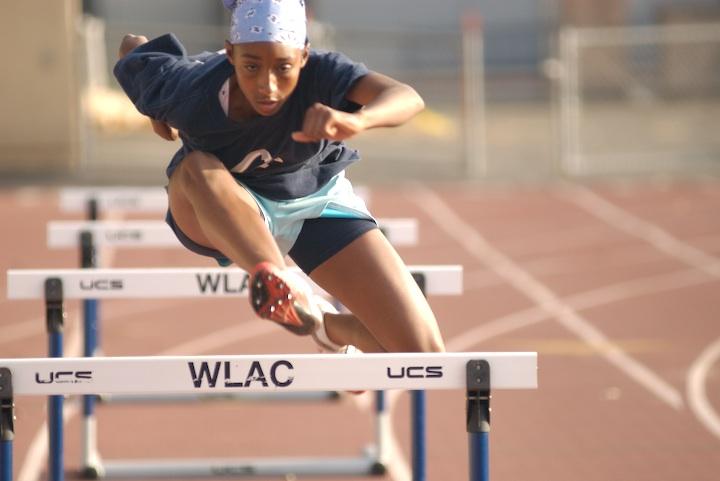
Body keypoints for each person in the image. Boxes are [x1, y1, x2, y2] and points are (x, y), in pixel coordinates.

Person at [114, 0, 445, 355]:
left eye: (283, 68)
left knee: (423, 354)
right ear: (230, 55)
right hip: (222, 207)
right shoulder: (189, 89)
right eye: (251, 67)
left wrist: (358, 120)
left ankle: (328, 328)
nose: (267, 86)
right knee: (197, 168)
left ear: (304, 56)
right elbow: (133, 46)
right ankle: (276, 281)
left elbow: (406, 97)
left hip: (315, 201)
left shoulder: (323, 73)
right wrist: (152, 107)